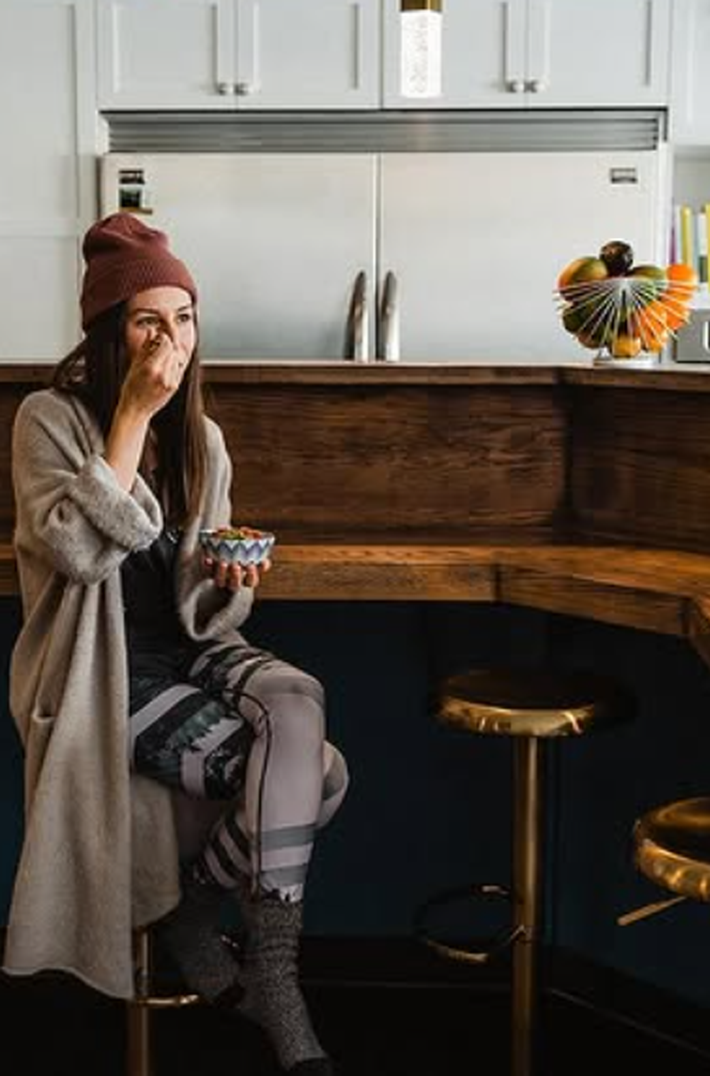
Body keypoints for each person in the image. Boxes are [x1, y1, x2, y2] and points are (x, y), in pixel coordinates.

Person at [2, 212, 349, 1075]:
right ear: (109, 332)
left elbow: (200, 603)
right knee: (309, 776)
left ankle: (236, 943)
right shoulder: (49, 421)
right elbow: (81, 553)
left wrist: (222, 585)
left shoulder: (205, 440)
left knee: (301, 710)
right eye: (149, 320)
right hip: (98, 670)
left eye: (184, 317)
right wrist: (131, 414)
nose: (172, 339)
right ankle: (249, 958)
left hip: (186, 652)